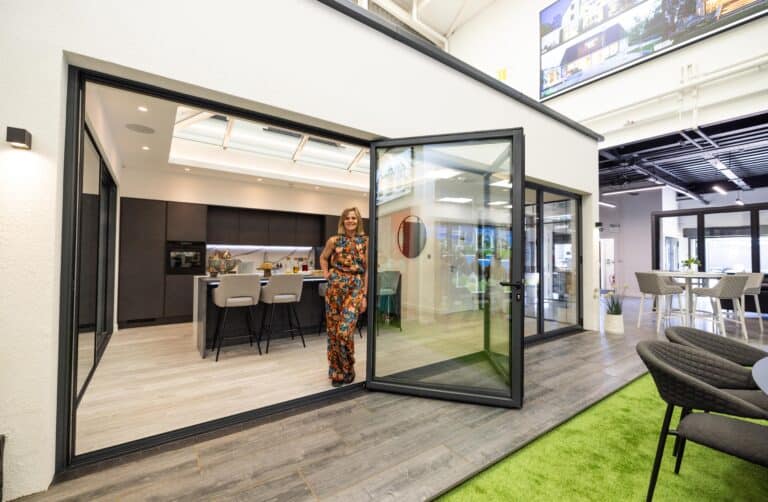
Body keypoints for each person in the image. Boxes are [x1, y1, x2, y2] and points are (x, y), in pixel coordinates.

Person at [319, 207, 368, 387]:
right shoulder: (334, 240)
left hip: (355, 288)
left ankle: (348, 366)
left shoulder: (365, 242)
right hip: (334, 290)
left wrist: (364, 296)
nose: (350, 221)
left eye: (353, 218)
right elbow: (323, 258)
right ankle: (337, 372)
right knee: (333, 333)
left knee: (344, 331)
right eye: (347, 218)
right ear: (342, 221)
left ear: (358, 221)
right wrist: (326, 274)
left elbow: (367, 270)